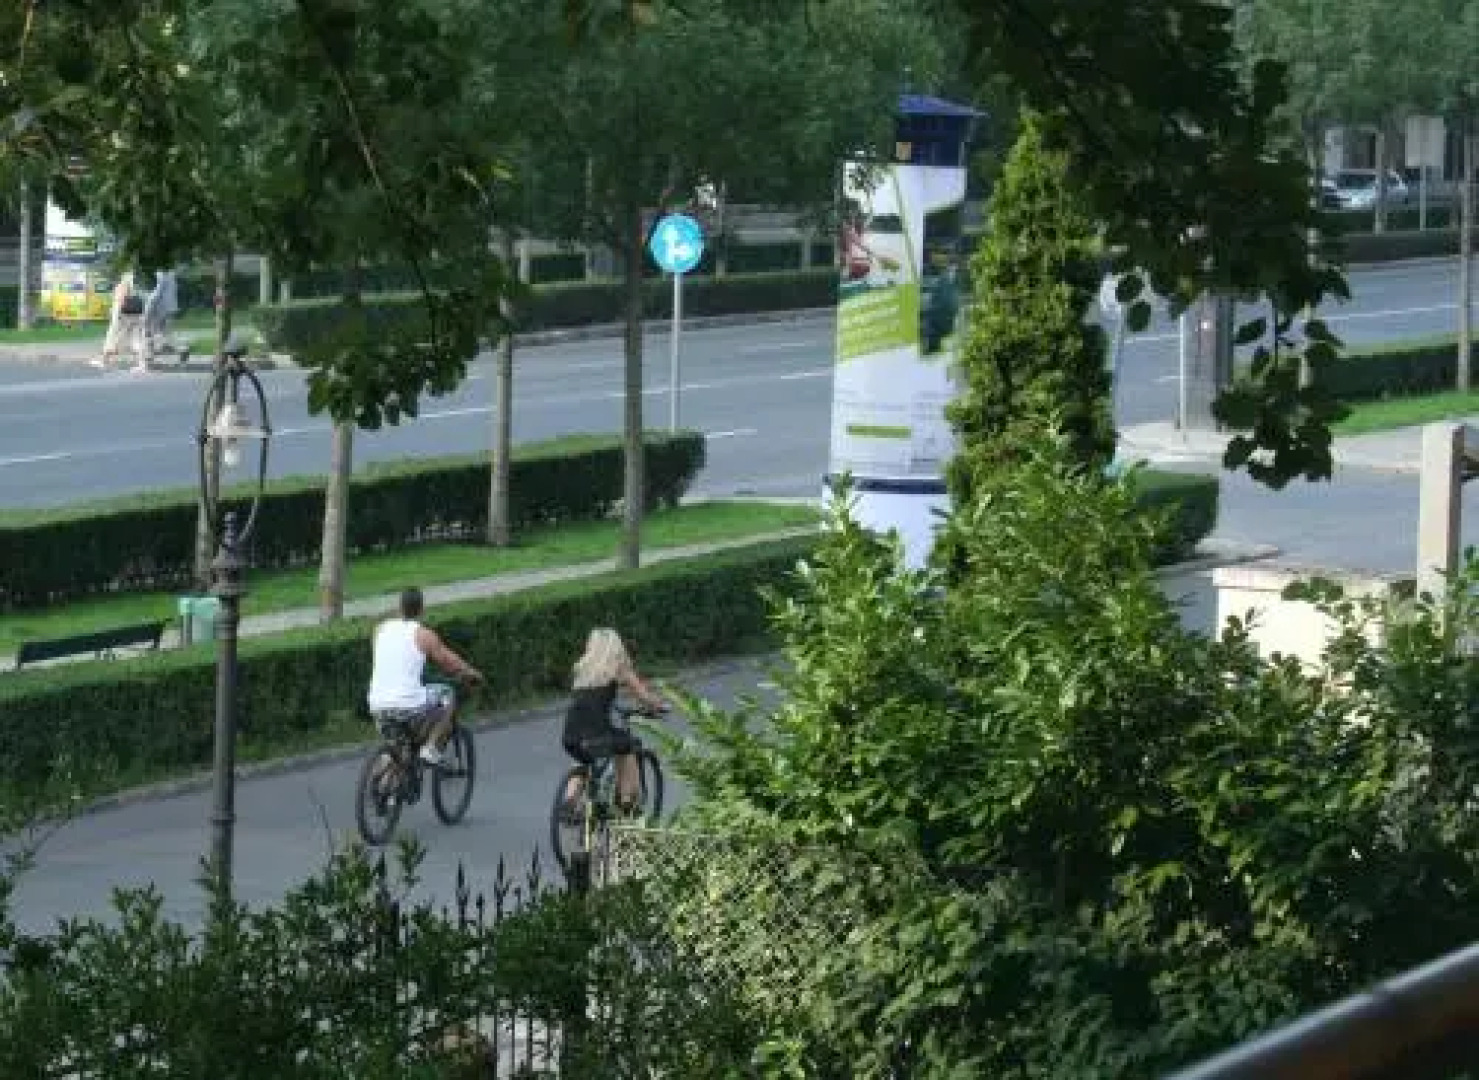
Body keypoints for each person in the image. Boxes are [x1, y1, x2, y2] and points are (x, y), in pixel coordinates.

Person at [366, 587, 485, 767]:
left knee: (396, 749)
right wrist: (471, 673)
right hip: (407, 704)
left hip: (377, 703)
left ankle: (384, 791)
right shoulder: (424, 635)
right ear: (422, 610)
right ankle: (430, 748)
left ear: (398, 608)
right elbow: (449, 662)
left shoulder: (380, 629)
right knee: (447, 694)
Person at [560, 627, 667, 815]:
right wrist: (658, 706)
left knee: (584, 756)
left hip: (570, 734)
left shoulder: (581, 669)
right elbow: (644, 697)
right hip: (598, 734)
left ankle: (569, 802)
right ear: (616, 646)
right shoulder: (618, 667)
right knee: (629, 745)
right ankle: (627, 802)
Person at [94, 271, 145, 372]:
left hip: (122, 316)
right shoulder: (136, 288)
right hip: (135, 315)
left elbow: (119, 302)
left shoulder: (122, 285)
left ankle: (104, 360)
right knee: (136, 340)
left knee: (112, 337)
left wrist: (115, 316)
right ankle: (142, 364)